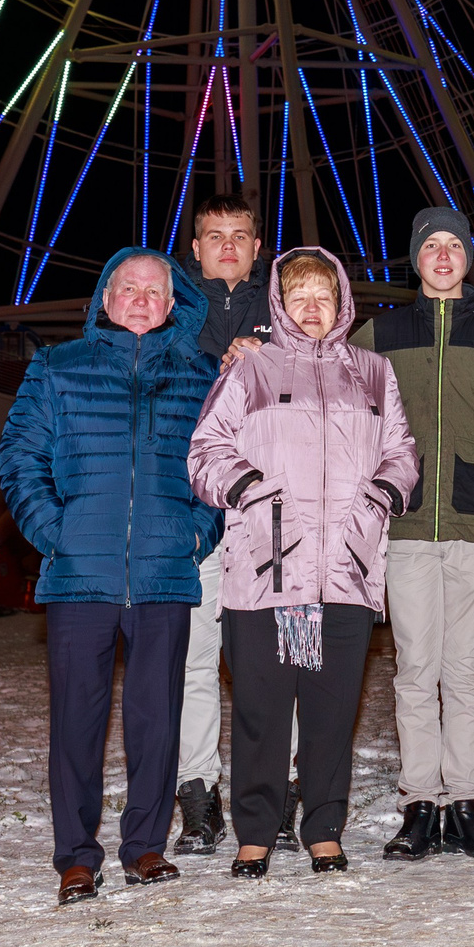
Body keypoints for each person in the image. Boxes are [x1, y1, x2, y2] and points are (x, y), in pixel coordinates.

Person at [0, 248, 222, 905]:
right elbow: (19, 454)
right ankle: (76, 856)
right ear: (106, 295)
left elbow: (219, 466)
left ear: (174, 302)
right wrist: (54, 532)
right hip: (79, 576)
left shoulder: (199, 374)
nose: (144, 298)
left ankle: (145, 846)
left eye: (157, 289)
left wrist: (194, 535)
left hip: (163, 575)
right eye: (130, 287)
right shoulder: (56, 367)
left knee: (157, 717)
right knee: (76, 718)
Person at [188, 248, 419, 877]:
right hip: (266, 571)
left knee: (330, 710)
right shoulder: (250, 371)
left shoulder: (373, 372)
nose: (313, 308)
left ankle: (324, 829)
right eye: (299, 297)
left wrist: (376, 502)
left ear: (342, 302)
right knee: (262, 709)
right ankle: (256, 833)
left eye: (324, 296)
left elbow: (402, 450)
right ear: (279, 306)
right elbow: (205, 449)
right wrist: (253, 493)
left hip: (345, 570)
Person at [352, 205, 474, 862]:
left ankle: (464, 801)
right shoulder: (377, 332)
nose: (442, 255)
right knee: (415, 668)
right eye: (430, 244)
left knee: (466, 667)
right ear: (415, 257)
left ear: (469, 257)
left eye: (454, 245)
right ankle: (419, 805)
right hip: (403, 523)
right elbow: (344, 425)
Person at [176, 190, 274, 854]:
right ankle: (196, 793)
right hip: (196, 513)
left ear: (259, 246)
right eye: (216, 235)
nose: (229, 245)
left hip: (270, 512)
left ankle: (279, 790)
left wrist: (270, 354)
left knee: (271, 659)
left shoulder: (291, 309)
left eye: (240, 234)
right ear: (195, 248)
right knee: (193, 661)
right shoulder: (170, 316)